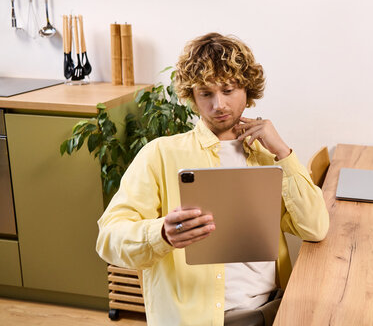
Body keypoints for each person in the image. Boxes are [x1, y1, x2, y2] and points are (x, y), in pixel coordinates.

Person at [96, 32, 329, 326]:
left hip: (275, 309)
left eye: (229, 90)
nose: (218, 104)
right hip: (199, 320)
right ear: (193, 97)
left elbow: (315, 228)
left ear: (247, 90)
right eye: (206, 93)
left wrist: (284, 152)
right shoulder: (161, 154)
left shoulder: (267, 157)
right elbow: (108, 238)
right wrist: (162, 234)